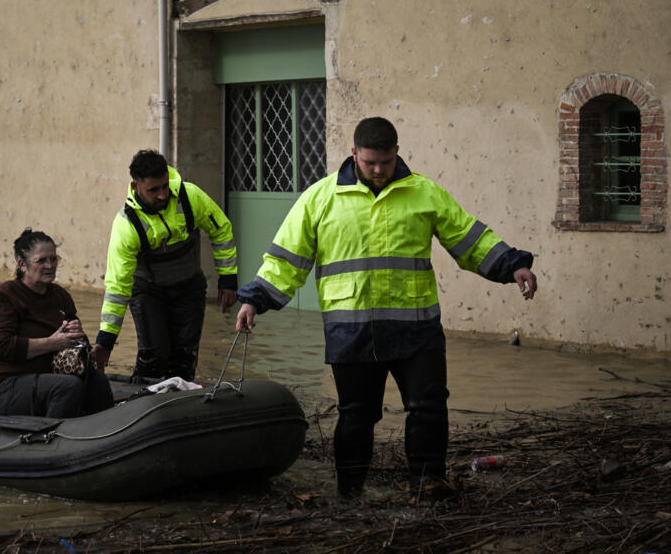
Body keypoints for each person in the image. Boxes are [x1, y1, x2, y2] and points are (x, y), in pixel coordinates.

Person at [235, 117, 538, 500]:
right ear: (353, 154)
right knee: (356, 415)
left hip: (417, 330)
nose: (378, 170)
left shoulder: (424, 193)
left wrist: (512, 265)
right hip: (352, 332)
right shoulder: (320, 198)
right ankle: (350, 494)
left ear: (397, 152)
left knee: (428, 408)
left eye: (386, 162)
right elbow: (286, 260)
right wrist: (255, 298)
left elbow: (468, 238)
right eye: (370, 163)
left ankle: (428, 486)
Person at [93, 149, 238, 381]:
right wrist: (106, 339)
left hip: (189, 288)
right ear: (136, 187)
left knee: (184, 358)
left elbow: (221, 230)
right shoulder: (126, 224)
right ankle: (142, 394)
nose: (162, 195)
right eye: (153, 190)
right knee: (155, 356)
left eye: (164, 187)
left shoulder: (190, 196)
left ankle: (181, 397)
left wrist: (228, 278)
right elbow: (118, 286)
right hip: (148, 292)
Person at [0, 229, 113, 418]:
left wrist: (77, 335)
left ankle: (106, 429)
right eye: (41, 261)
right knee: (68, 387)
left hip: (49, 376)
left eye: (53, 259)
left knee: (97, 380)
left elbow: (77, 342)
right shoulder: (3, 297)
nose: (50, 266)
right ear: (22, 264)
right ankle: (50, 434)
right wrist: (52, 343)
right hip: (4, 387)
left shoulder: (60, 296)